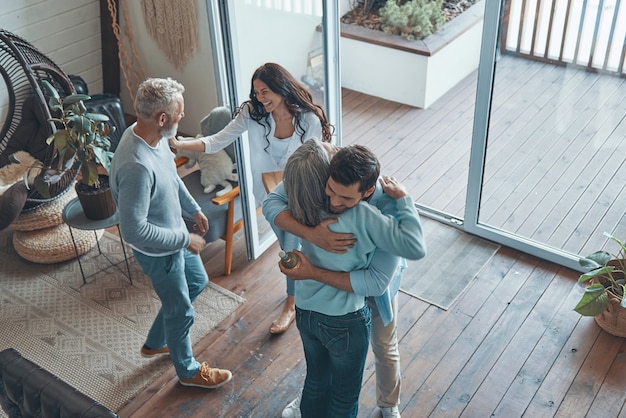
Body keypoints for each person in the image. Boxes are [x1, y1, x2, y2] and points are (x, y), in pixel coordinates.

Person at [263, 139, 424, 417]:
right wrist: (313, 234)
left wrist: (312, 272)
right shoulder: (326, 176)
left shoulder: (385, 211)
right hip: (329, 309)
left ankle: (388, 404)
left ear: (367, 191)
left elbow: (375, 282)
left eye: (345, 198)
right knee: (325, 377)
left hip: (377, 291)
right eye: (330, 192)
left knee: (384, 347)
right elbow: (271, 202)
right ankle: (307, 401)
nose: (334, 202)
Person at [170, 63, 334, 335]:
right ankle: (301, 292)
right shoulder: (252, 113)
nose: (260, 98)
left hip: (302, 189)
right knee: (289, 244)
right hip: (269, 191)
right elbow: (216, 141)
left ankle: (293, 302)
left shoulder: (308, 120)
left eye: (265, 91)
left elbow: (315, 161)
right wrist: (181, 144)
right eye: (256, 92)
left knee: (292, 244)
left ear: (282, 88)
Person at [110, 77, 232, 389]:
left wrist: (194, 209)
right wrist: (184, 239)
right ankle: (188, 371)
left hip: (174, 235)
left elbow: (171, 176)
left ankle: (156, 341)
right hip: (160, 252)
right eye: (179, 114)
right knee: (182, 310)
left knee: (197, 282)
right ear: (161, 118)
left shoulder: (154, 136)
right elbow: (133, 230)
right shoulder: (135, 166)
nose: (182, 118)